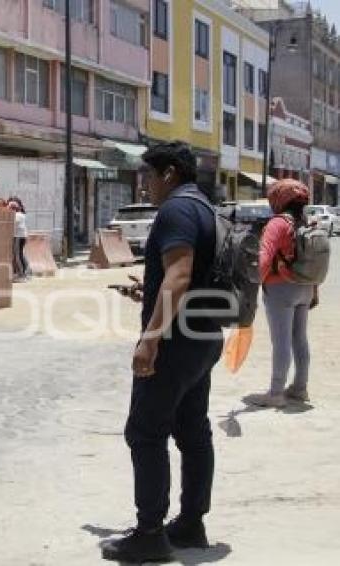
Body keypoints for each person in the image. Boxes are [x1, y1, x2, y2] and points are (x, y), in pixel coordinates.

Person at [102, 142, 223, 563]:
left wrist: (150, 338)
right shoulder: (204, 207)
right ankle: (191, 523)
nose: (145, 184)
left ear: (169, 173)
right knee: (193, 431)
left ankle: (150, 533)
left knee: (145, 432)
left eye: (148, 175)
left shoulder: (175, 210)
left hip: (175, 343)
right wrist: (149, 294)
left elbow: (181, 273)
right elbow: (189, 277)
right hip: (203, 337)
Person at [246, 179, 317, 408]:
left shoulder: (277, 223)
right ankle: (300, 388)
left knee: (281, 342)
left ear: (279, 199)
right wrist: (314, 290)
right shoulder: (304, 222)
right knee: (300, 339)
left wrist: (252, 284)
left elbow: (264, 258)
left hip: (280, 289)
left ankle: (276, 393)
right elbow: (312, 260)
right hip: (305, 287)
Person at [8, 200, 29, 281]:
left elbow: (10, 223)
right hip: (22, 236)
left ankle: (22, 275)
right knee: (20, 254)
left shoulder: (16, 216)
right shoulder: (22, 215)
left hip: (18, 237)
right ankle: (24, 273)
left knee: (17, 256)